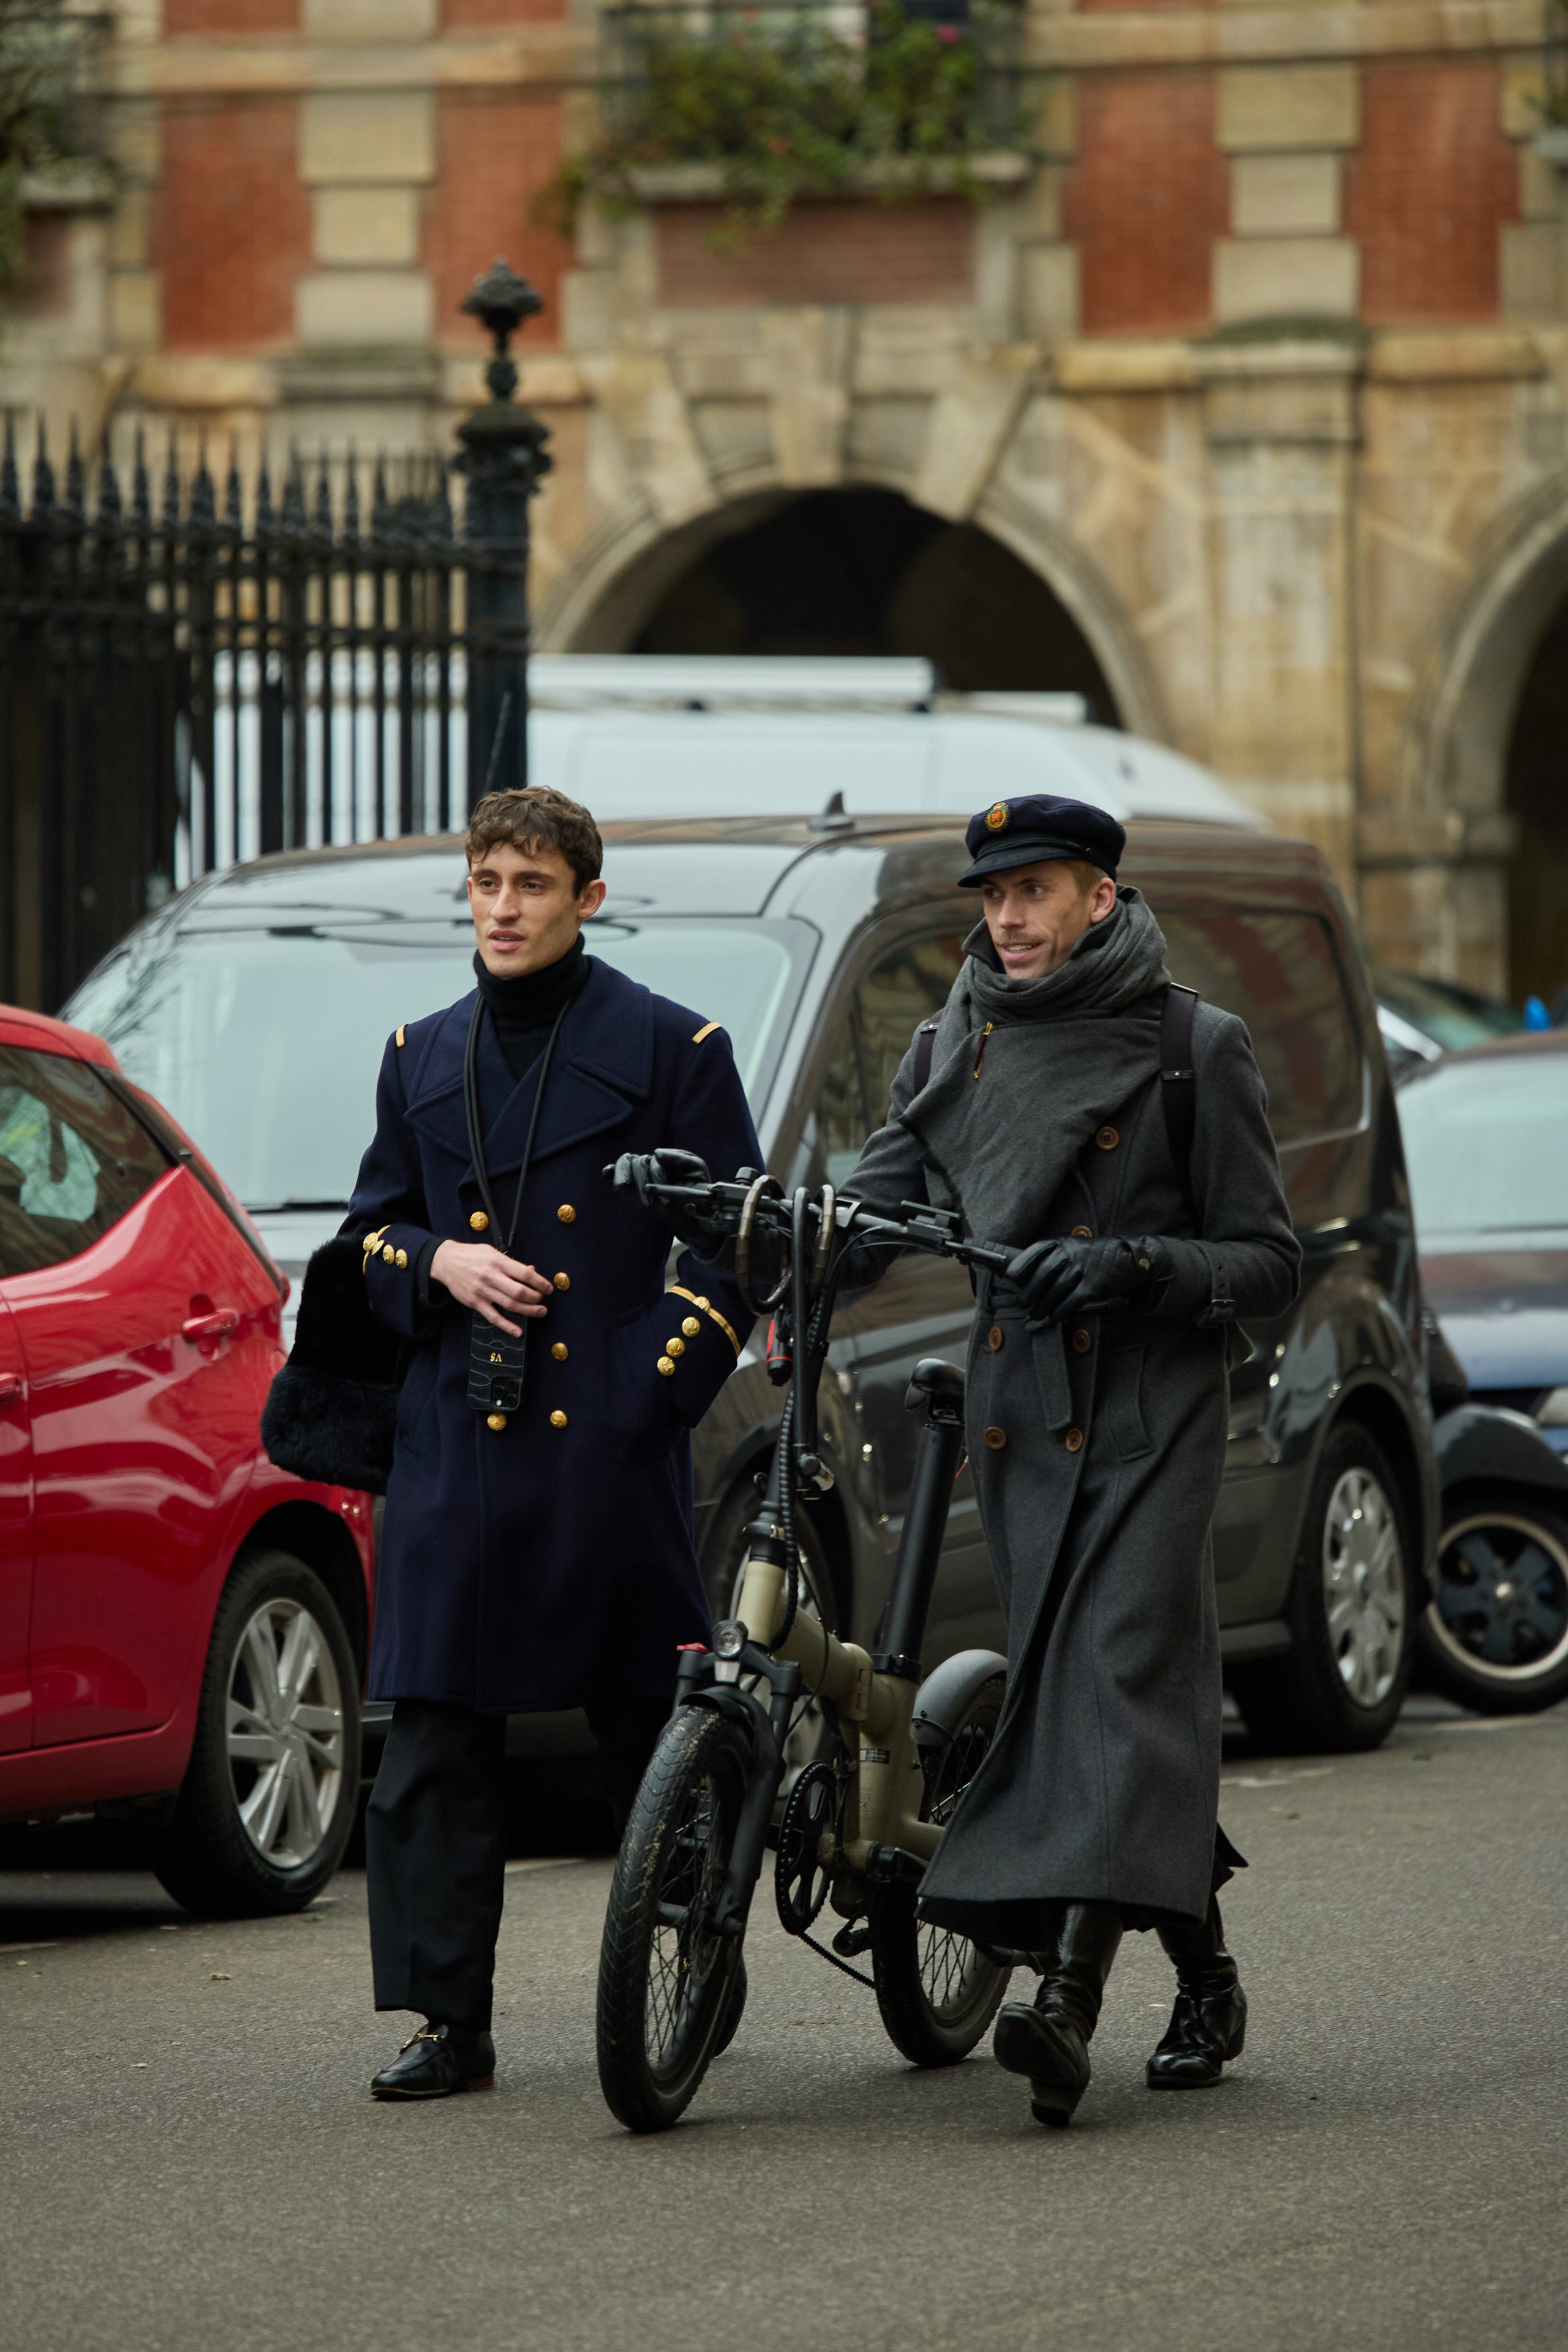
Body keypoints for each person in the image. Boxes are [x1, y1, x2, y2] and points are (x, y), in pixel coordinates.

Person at [841, 793, 1301, 2127]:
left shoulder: (1188, 1043)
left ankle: (1064, 1998)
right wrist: (768, 1246)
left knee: (1112, 1676)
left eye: (1032, 892)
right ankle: (1205, 1976)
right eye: (989, 898)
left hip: (1153, 1416)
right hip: (1020, 1420)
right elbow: (874, 1205)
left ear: (1098, 896)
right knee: (1097, 1707)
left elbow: (1267, 1266)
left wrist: (1126, 1264)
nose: (1006, 918)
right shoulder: (951, 1039)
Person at [345, 786, 760, 2100]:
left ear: (586, 895)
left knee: (649, 1716)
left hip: (603, 1437)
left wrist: (650, 1391)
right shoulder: (419, 1051)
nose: (503, 908)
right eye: (483, 884)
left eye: (529, 884)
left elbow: (733, 1238)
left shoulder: (670, 1044)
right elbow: (368, 1238)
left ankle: (695, 1951)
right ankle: (444, 2022)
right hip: (456, 1438)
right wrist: (441, 1262)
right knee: (432, 1735)